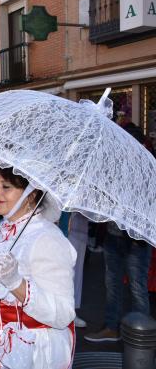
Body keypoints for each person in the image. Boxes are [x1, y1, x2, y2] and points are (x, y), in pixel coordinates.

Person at [0, 164, 76, 369]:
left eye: (6, 187)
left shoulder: (47, 238)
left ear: (31, 195)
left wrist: (17, 284)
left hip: (27, 353)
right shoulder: (6, 229)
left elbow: (63, 313)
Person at [84, 115, 153, 343]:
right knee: (112, 285)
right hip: (113, 237)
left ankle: (141, 337)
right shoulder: (115, 169)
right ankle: (111, 328)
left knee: (136, 287)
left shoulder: (147, 172)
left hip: (136, 241)